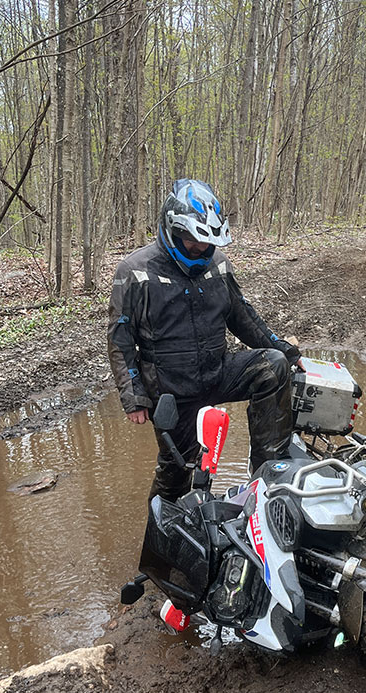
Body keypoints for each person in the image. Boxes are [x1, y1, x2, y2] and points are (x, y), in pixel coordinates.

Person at [107, 178, 302, 502]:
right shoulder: (135, 271)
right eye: (191, 241)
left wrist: (282, 346)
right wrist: (134, 396)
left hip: (216, 372)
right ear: (172, 230)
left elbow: (242, 317)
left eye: (205, 242)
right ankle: (161, 539)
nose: (199, 248)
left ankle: (269, 477)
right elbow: (120, 337)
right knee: (177, 472)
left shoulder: (219, 266)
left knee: (273, 366)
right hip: (171, 389)